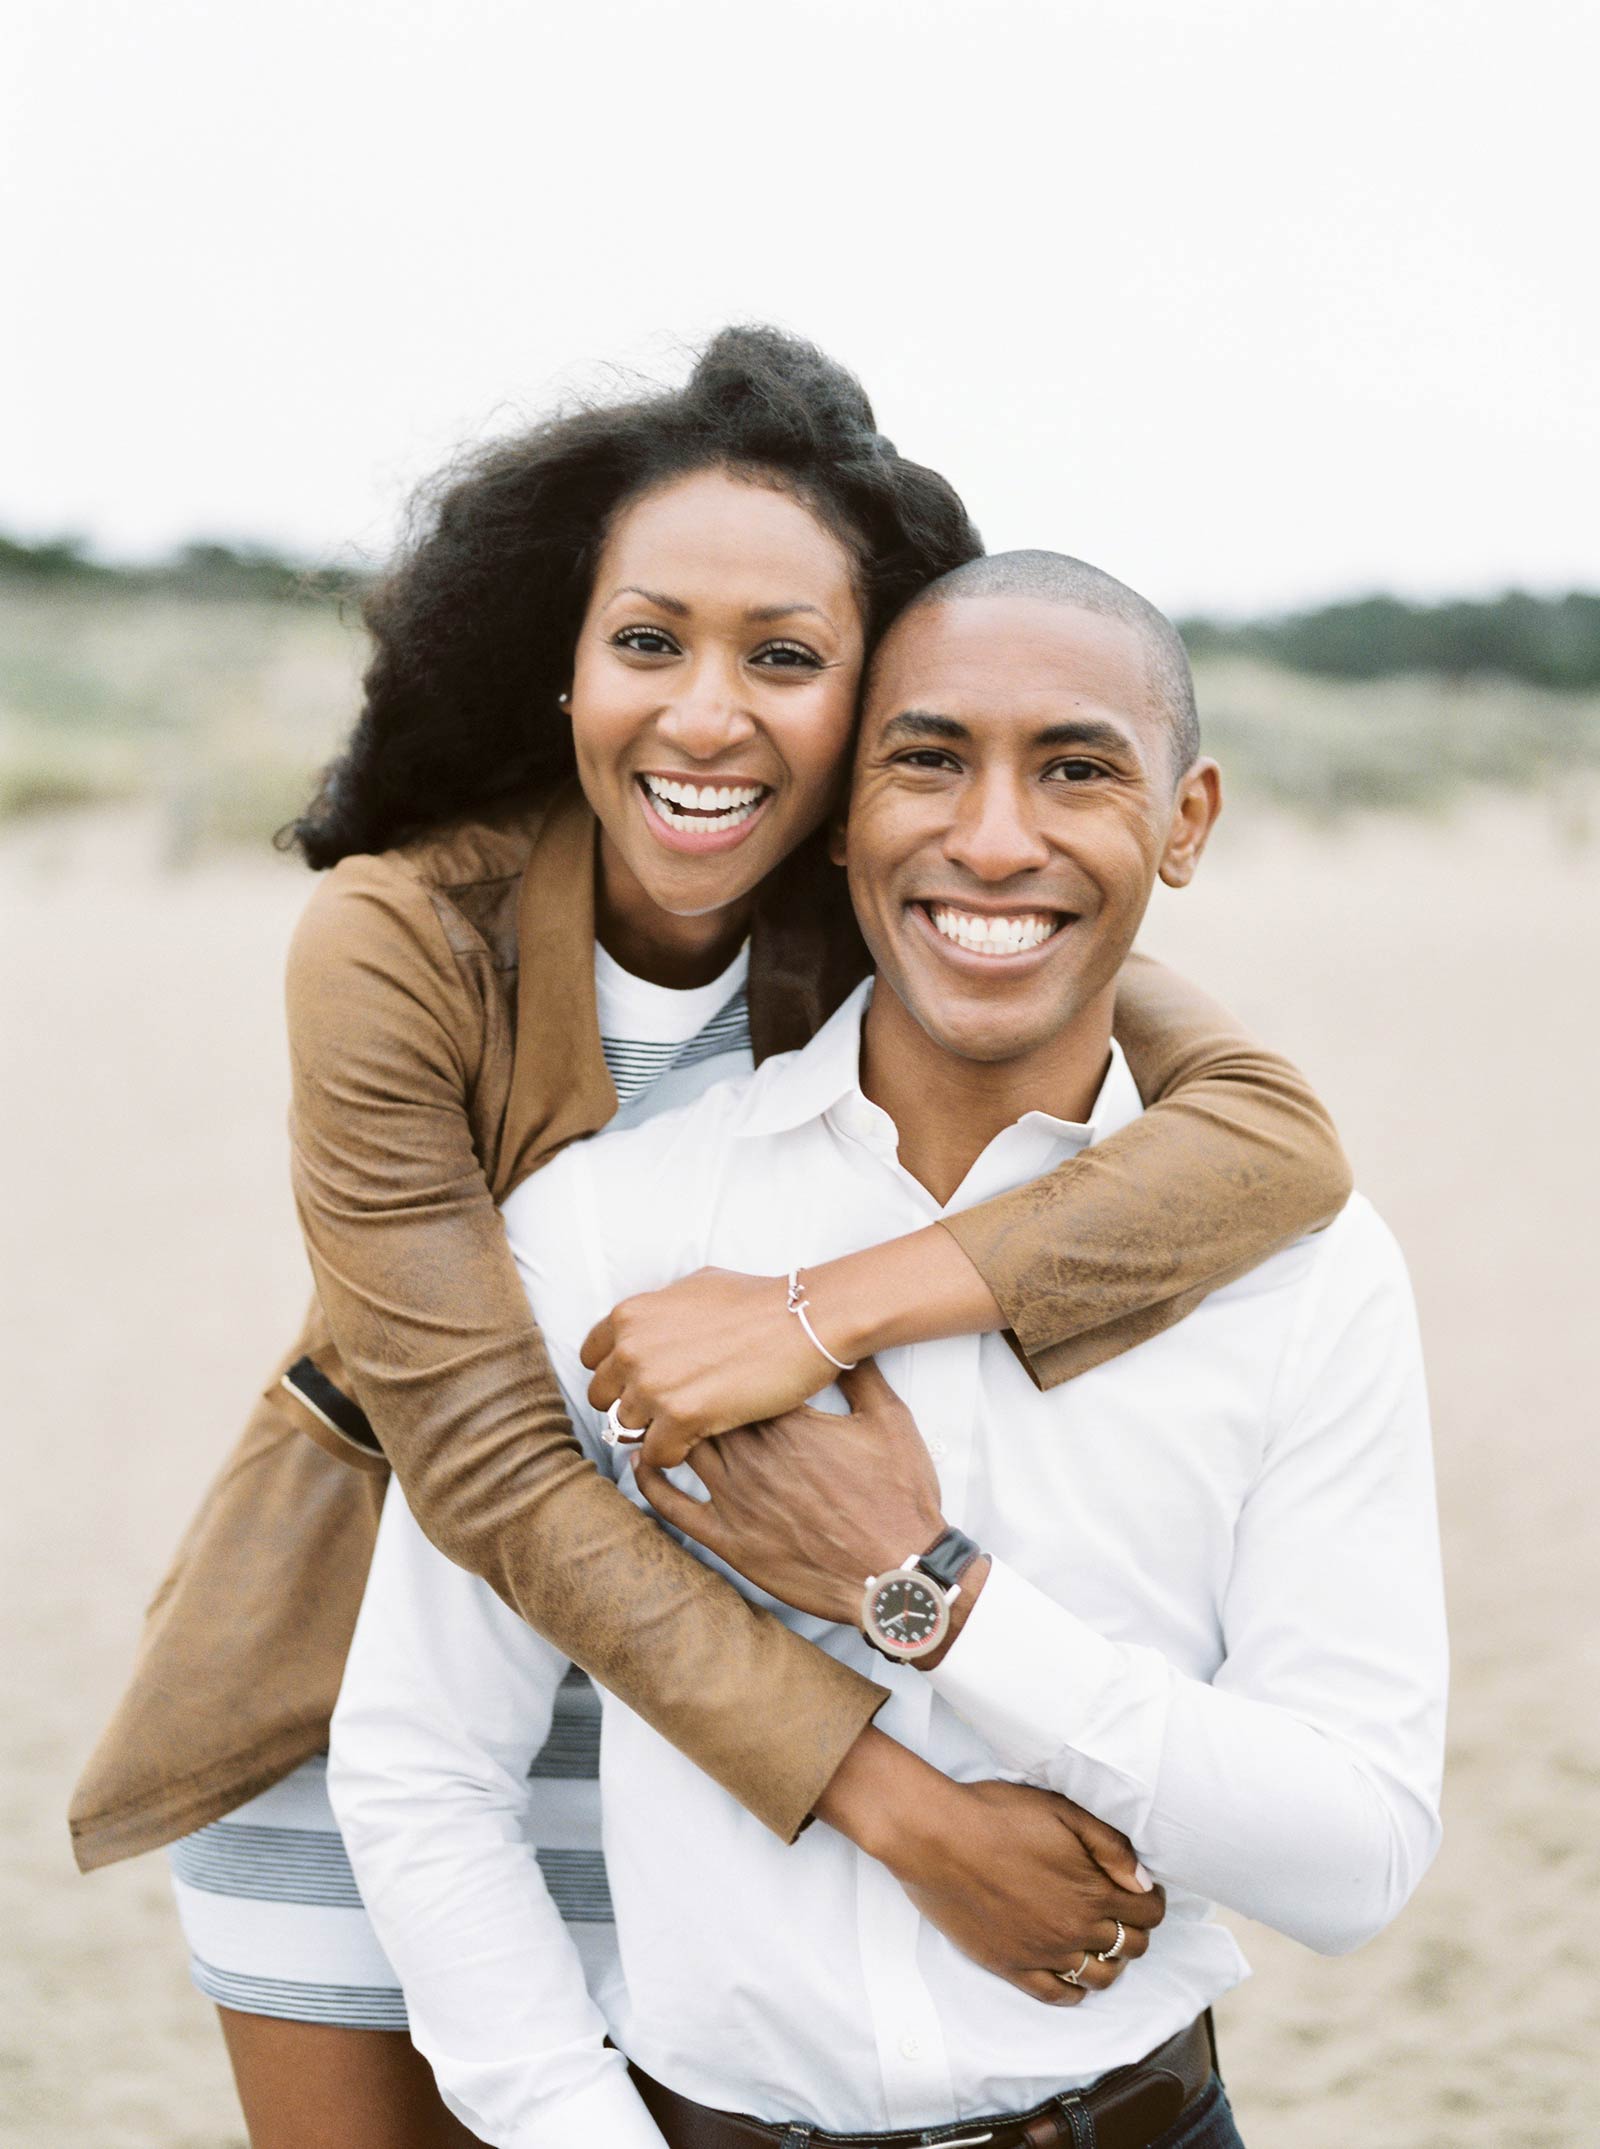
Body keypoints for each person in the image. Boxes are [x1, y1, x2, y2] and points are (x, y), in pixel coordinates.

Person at [71, 334, 1350, 2149]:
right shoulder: (396, 940)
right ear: (564, 661)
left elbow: (1272, 1142)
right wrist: (896, 1804)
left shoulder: (901, 895)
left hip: (702, 1757)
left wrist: (816, 1311)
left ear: (865, 695)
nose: (706, 714)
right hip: (376, 1680)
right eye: (649, 640)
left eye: (787, 657)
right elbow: (499, 1475)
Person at [329, 551, 1447, 2149]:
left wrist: (932, 1593)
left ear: (1186, 820)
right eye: (926, 759)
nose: (996, 838)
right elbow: (421, 1762)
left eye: (1077, 768)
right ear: (838, 810)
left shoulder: (1309, 1273)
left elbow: (1353, 1857)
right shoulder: (609, 1225)